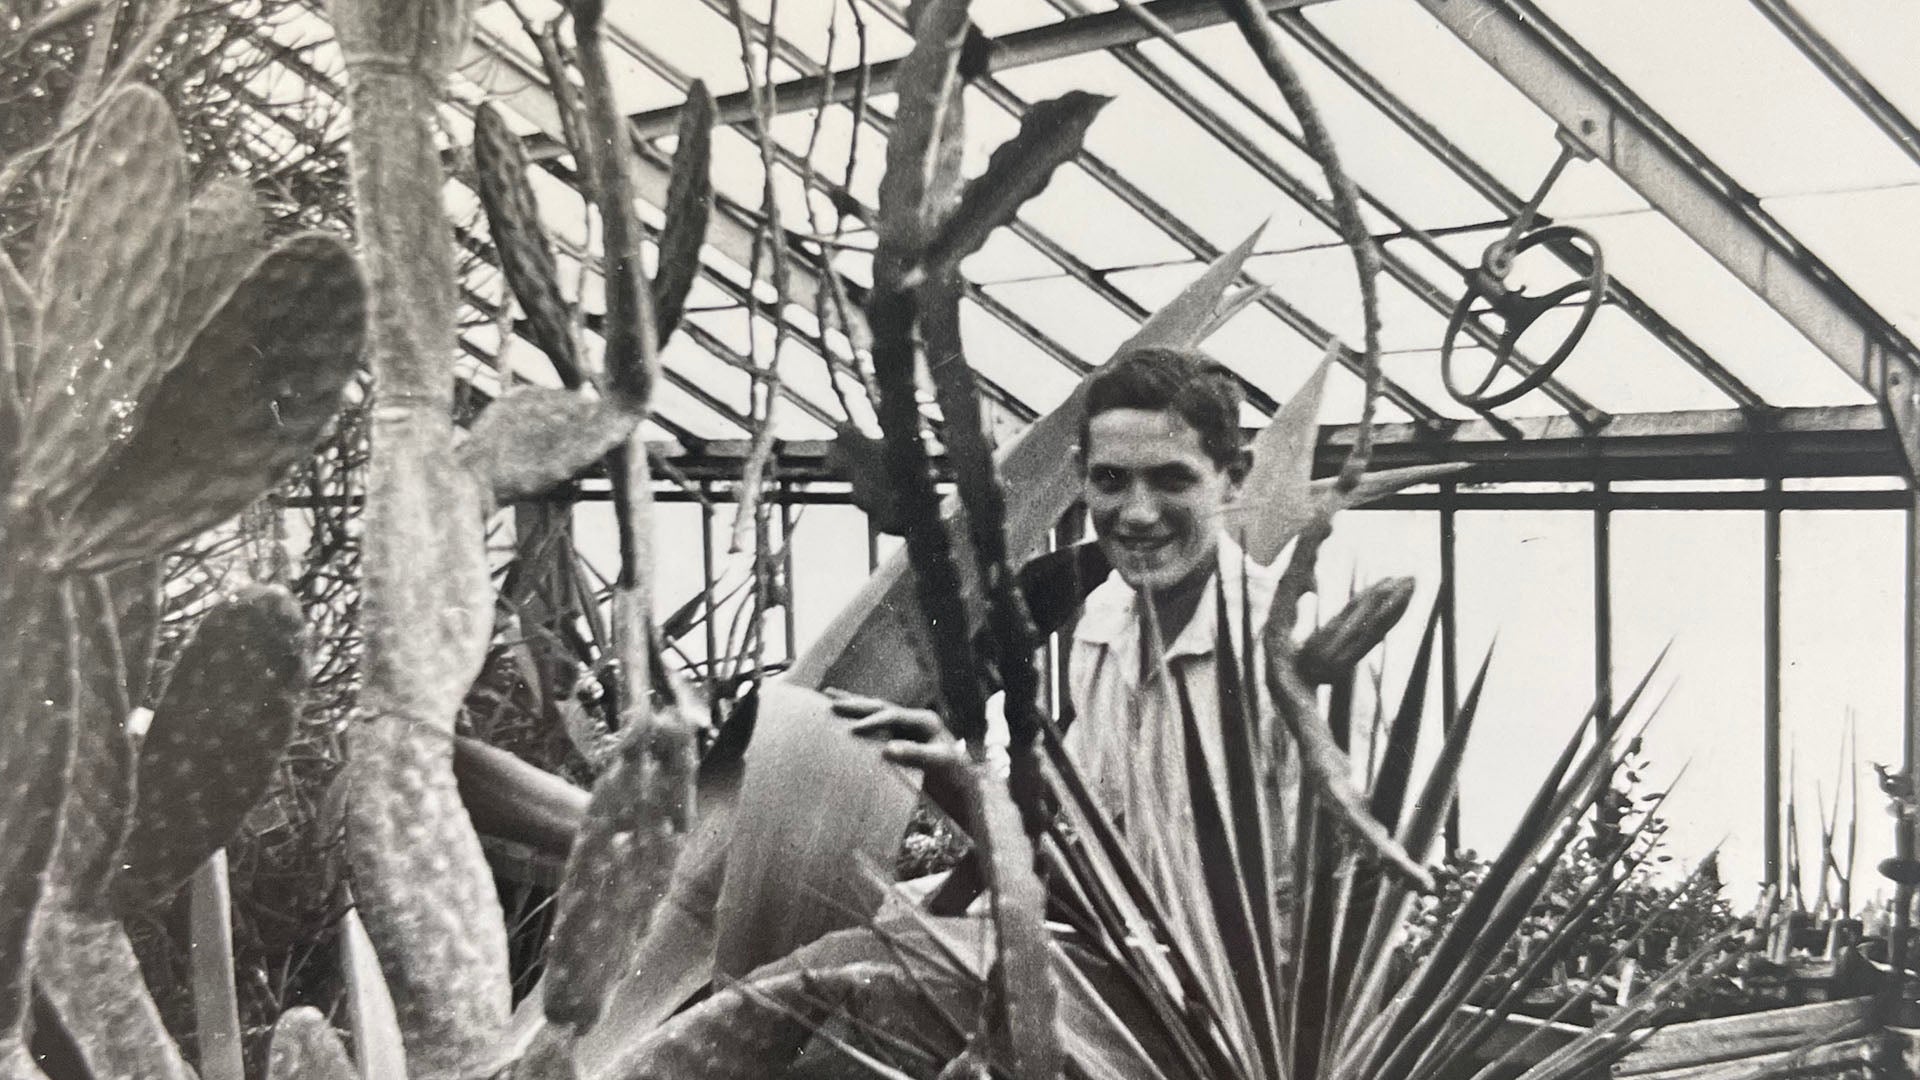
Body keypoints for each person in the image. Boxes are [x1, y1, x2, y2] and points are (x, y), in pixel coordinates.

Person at [838, 346, 1296, 1014]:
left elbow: (1354, 904)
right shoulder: (1108, 619)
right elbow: (1075, 832)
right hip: (1139, 995)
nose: (1137, 513)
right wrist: (959, 781)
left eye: (1171, 479)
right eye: (1111, 481)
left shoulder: (1289, 653)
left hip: (1258, 1029)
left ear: (1233, 478)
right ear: (1081, 477)